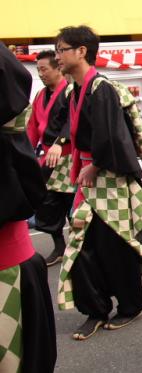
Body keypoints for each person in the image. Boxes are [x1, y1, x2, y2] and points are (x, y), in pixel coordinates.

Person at [54, 26, 142, 340]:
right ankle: (96, 309)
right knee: (83, 247)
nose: (57, 56)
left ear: (81, 51)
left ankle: (129, 305)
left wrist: (95, 165)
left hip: (106, 177)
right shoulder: (75, 90)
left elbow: (112, 135)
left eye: (61, 49)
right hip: (88, 177)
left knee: (115, 246)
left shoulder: (101, 88)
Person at [0, 42, 58, 373]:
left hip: (71, 173)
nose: (45, 70)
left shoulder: (97, 89)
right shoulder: (41, 96)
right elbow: (30, 127)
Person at [26, 49, 76, 266]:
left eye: (44, 69)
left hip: (68, 157)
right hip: (47, 159)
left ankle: (79, 249)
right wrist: (24, 152)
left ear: (58, 69)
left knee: (73, 206)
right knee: (47, 204)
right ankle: (59, 247)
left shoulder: (71, 91)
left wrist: (60, 142)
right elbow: (32, 128)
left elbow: (72, 122)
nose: (41, 74)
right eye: (38, 70)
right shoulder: (39, 95)